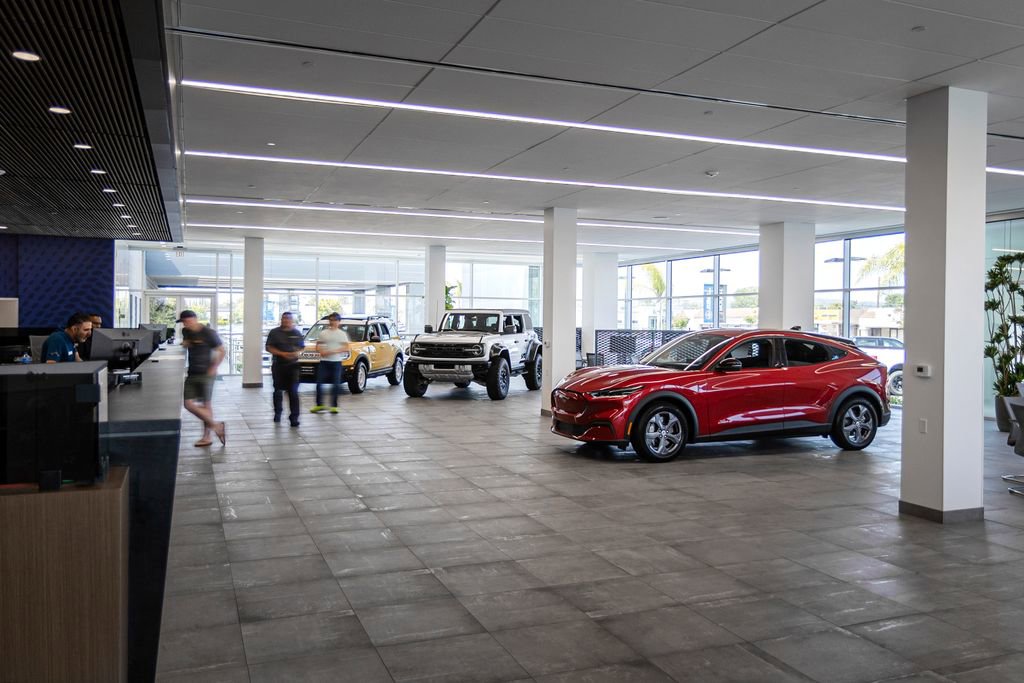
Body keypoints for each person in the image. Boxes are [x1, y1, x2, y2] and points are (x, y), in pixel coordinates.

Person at [178, 310, 226, 447]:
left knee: (206, 405)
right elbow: (186, 342)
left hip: (206, 373)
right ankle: (216, 425)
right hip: (192, 372)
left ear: (194, 319)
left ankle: (207, 437)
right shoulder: (186, 331)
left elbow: (221, 350)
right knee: (188, 404)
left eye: (187, 321)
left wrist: (214, 367)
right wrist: (186, 343)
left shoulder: (209, 333)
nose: (185, 325)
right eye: (183, 323)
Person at [265, 311, 304, 426]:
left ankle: (294, 418)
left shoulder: (297, 333)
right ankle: (278, 413)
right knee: (278, 391)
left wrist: (297, 353)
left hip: (294, 366)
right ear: (281, 320)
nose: (286, 320)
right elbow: (269, 347)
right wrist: (282, 354)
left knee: (293, 392)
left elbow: (302, 348)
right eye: (284, 318)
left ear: (292, 320)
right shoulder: (274, 332)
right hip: (279, 365)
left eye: (288, 318)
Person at [311, 312, 349, 414]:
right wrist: (321, 351)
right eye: (331, 320)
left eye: (335, 320)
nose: (333, 322)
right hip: (324, 362)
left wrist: (334, 351)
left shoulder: (342, 334)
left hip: (336, 362)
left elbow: (346, 347)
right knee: (319, 384)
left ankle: (334, 406)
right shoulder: (324, 333)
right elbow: (318, 345)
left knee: (335, 385)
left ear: (339, 322)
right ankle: (319, 405)